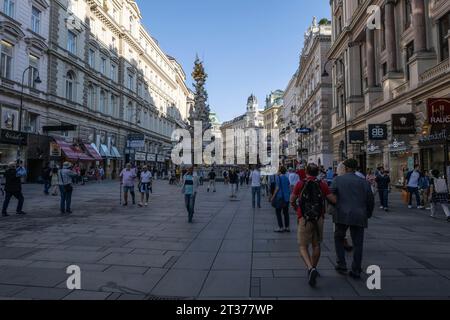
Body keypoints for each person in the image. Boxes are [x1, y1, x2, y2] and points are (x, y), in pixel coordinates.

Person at [291, 163, 335, 287]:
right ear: (318, 172)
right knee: (316, 245)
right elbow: (333, 199)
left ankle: (310, 268)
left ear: (306, 172)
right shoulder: (322, 184)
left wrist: (296, 208)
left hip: (303, 218)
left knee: (303, 246)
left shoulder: (300, 183)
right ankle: (314, 268)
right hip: (318, 218)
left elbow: (292, 199)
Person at [331, 159, 374, 279]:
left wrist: (334, 207)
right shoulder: (364, 182)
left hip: (341, 214)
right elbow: (370, 199)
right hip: (359, 215)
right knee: (358, 244)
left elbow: (330, 195)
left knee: (338, 238)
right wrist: (368, 213)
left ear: (346, 168)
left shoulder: (338, 180)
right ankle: (356, 270)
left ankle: (342, 264)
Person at [270, 166, 291, 233]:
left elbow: (277, 188)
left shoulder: (278, 177)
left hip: (280, 197)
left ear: (279, 171)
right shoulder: (286, 178)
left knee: (278, 212)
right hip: (286, 197)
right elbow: (289, 186)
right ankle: (287, 227)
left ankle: (281, 227)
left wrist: (272, 197)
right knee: (286, 213)